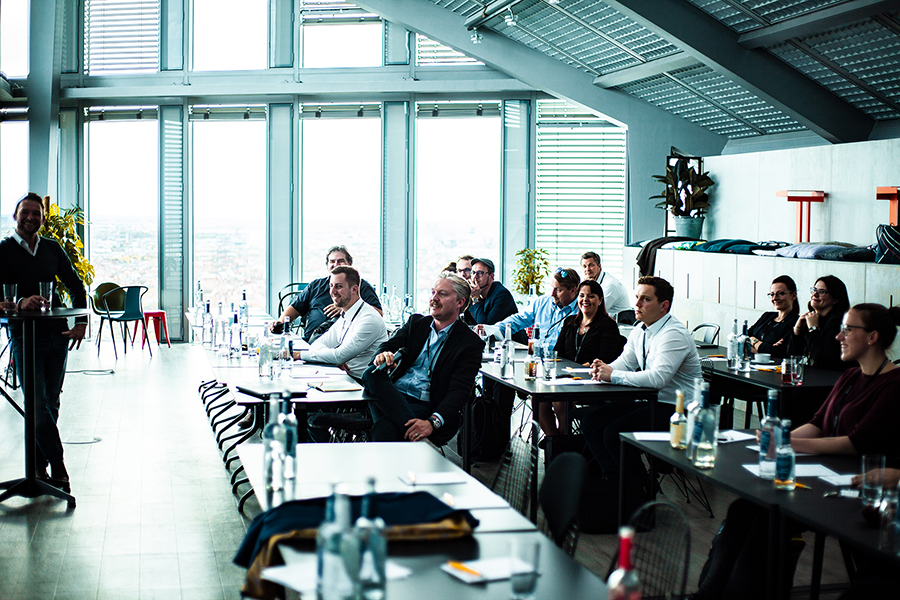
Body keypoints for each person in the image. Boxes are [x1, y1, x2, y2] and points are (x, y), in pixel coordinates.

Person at [694, 303, 900, 600]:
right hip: (825, 475)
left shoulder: (893, 385)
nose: (839, 337)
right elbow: (817, 424)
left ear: (872, 337)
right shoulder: (850, 377)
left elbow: (853, 443)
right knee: (744, 508)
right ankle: (709, 593)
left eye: (847, 330)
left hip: (857, 489)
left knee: (769, 519)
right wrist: (775, 438)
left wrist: (786, 443)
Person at [0, 193, 89, 492]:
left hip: (57, 336)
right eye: (25, 212)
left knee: (50, 403)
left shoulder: (52, 248)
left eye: (36, 213)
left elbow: (76, 286)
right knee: (37, 405)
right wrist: (19, 302)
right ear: (15, 216)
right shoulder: (3, 250)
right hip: (25, 336)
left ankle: (38, 466)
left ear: (42, 217)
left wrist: (81, 323)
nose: (30, 218)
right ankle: (59, 466)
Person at [583, 276, 702, 478]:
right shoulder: (640, 329)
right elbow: (626, 363)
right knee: (591, 423)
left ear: (664, 306)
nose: (636, 304)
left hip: (677, 409)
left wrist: (613, 375)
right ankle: (615, 480)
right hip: (650, 401)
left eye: (645, 299)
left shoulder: (673, 334)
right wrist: (604, 369)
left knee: (614, 434)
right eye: (637, 297)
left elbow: (657, 379)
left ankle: (638, 486)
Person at [361, 273, 484, 445]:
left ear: (460, 302)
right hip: (395, 394)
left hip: (427, 404)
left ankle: (413, 434)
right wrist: (382, 355)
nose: (434, 299)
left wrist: (432, 423)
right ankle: (420, 440)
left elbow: (459, 392)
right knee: (371, 374)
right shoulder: (416, 323)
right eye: (433, 292)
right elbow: (387, 346)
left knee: (385, 428)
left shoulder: (469, 343)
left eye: (442, 294)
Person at [542, 279, 626, 437]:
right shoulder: (570, 322)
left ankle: (564, 444)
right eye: (581, 295)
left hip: (591, 382)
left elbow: (606, 359)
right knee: (538, 399)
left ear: (600, 300)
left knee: (560, 400)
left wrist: (582, 367)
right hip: (565, 377)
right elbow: (557, 352)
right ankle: (554, 441)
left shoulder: (608, 326)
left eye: (591, 296)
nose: (585, 300)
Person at [293, 266, 387, 381]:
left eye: (339, 286)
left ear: (354, 289)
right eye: (331, 286)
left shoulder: (369, 319)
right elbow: (317, 345)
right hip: (344, 376)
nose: (332, 292)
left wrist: (298, 355)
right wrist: (333, 359)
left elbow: (339, 356)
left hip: (361, 383)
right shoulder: (346, 314)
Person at [272, 245, 382, 342]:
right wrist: (280, 323)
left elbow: (378, 314)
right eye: (332, 261)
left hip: (341, 346)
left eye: (340, 261)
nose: (336, 264)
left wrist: (347, 309)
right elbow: (295, 308)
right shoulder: (316, 285)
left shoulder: (361, 286)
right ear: (327, 265)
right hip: (310, 342)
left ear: (349, 264)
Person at [494, 267, 580, 351]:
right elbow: (519, 319)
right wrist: (495, 330)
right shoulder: (542, 302)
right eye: (552, 288)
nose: (552, 294)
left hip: (561, 358)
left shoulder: (581, 311)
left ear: (573, 291)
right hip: (537, 355)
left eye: (558, 290)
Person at [789, 275, 851, 370]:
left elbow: (821, 361)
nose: (814, 294)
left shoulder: (838, 323)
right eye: (814, 290)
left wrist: (813, 329)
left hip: (830, 377)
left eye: (821, 292)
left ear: (835, 299)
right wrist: (797, 329)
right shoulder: (812, 318)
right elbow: (792, 355)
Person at [747, 275, 799, 360]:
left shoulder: (796, 322)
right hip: (752, 364)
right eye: (772, 294)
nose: (775, 298)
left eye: (780, 293)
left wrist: (753, 341)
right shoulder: (767, 316)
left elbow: (778, 352)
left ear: (793, 295)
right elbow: (743, 338)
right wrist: (764, 348)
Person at [465, 258, 520, 337]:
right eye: (473, 272)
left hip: (511, 341)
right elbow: (467, 321)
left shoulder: (502, 295)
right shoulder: (474, 292)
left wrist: (475, 299)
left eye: (480, 273)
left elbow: (485, 327)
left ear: (491, 276)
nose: (475, 277)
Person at [580, 251, 631, 319]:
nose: (587, 269)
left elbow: (594, 311)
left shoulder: (610, 285)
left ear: (599, 266)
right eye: (584, 266)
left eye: (591, 265)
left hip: (620, 323)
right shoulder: (591, 281)